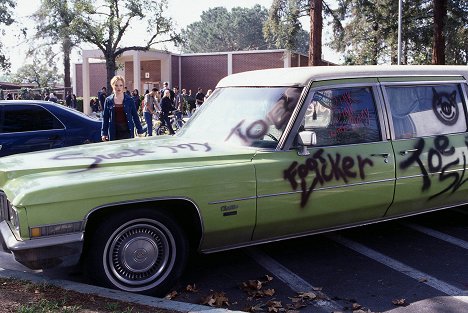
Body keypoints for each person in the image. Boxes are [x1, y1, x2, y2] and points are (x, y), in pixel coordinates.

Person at [101, 75, 143, 141]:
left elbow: (135, 116)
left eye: (121, 85)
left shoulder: (129, 100)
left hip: (127, 130)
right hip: (114, 131)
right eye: (116, 85)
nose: (118, 88)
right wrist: (104, 133)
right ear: (113, 86)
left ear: (123, 86)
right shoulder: (108, 100)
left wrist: (139, 130)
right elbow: (105, 118)